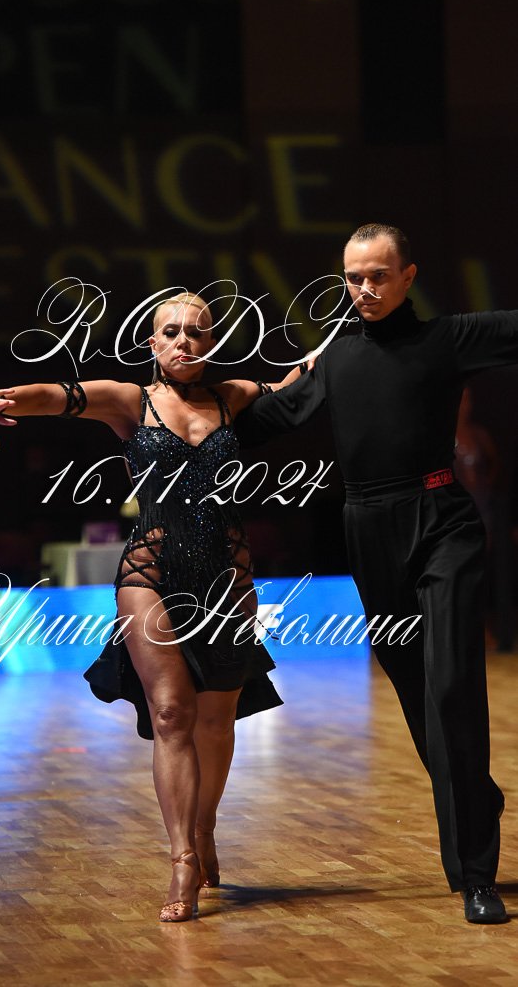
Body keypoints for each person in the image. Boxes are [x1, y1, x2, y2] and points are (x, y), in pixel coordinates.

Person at [0, 292, 310, 923]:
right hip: (150, 571)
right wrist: (0, 399)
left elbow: (299, 383)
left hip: (227, 577)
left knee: (217, 723)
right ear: (151, 342)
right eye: (171, 332)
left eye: (197, 332)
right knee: (172, 712)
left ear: (212, 341)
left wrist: (345, 345)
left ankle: (204, 827)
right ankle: (182, 857)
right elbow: (57, 395)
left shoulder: (234, 397)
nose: (184, 341)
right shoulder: (132, 400)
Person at [234, 224, 518, 925]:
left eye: (378, 275)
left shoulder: (447, 338)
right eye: (354, 277)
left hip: (443, 520)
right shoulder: (334, 356)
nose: (364, 288)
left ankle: (475, 874)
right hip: (368, 529)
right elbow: (268, 417)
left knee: (452, 683)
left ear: (408, 276)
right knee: (415, 688)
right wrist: (174, 423)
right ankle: (474, 798)